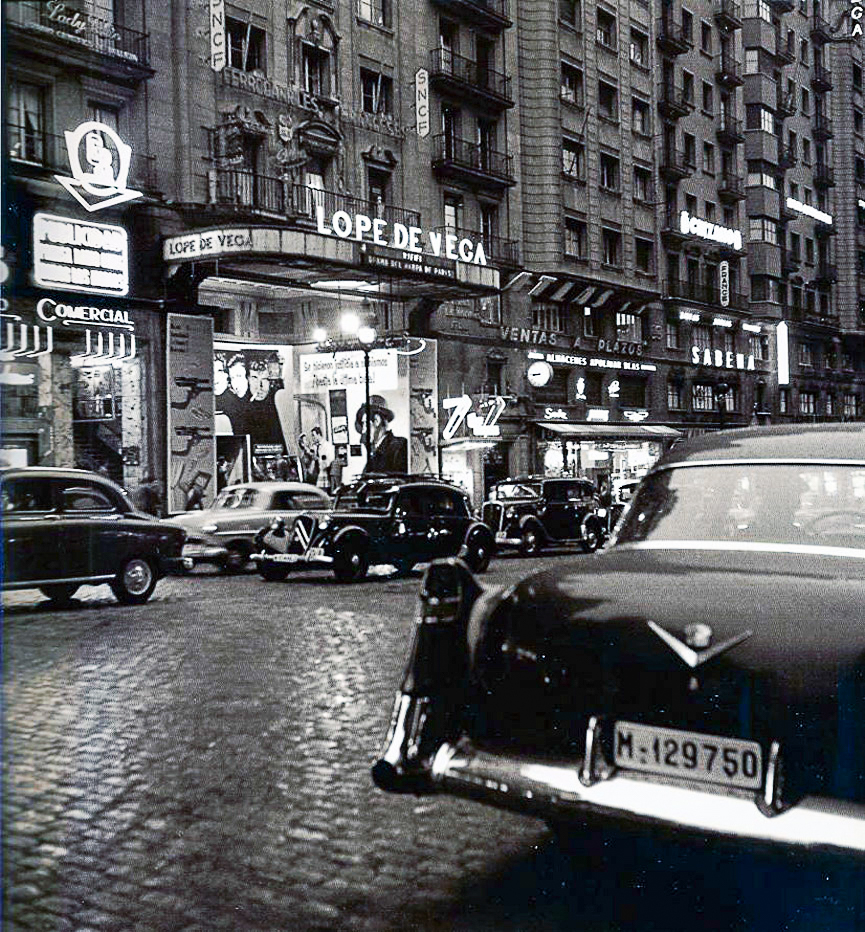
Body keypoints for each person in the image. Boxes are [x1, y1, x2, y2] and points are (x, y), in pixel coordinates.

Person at [355, 395, 408, 474]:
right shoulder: (375, 452)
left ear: (377, 420)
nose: (363, 431)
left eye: (365, 424)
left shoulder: (398, 446)